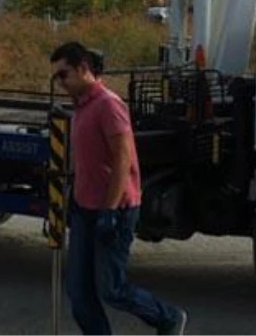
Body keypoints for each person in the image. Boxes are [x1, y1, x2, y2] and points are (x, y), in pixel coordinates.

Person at [50, 41, 188, 336]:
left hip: (115, 210)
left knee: (111, 289)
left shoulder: (108, 104)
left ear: (84, 68)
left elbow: (123, 158)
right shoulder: (80, 108)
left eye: (64, 75)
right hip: (84, 210)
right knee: (78, 293)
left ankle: (168, 318)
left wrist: (109, 210)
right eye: (56, 77)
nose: (60, 83)